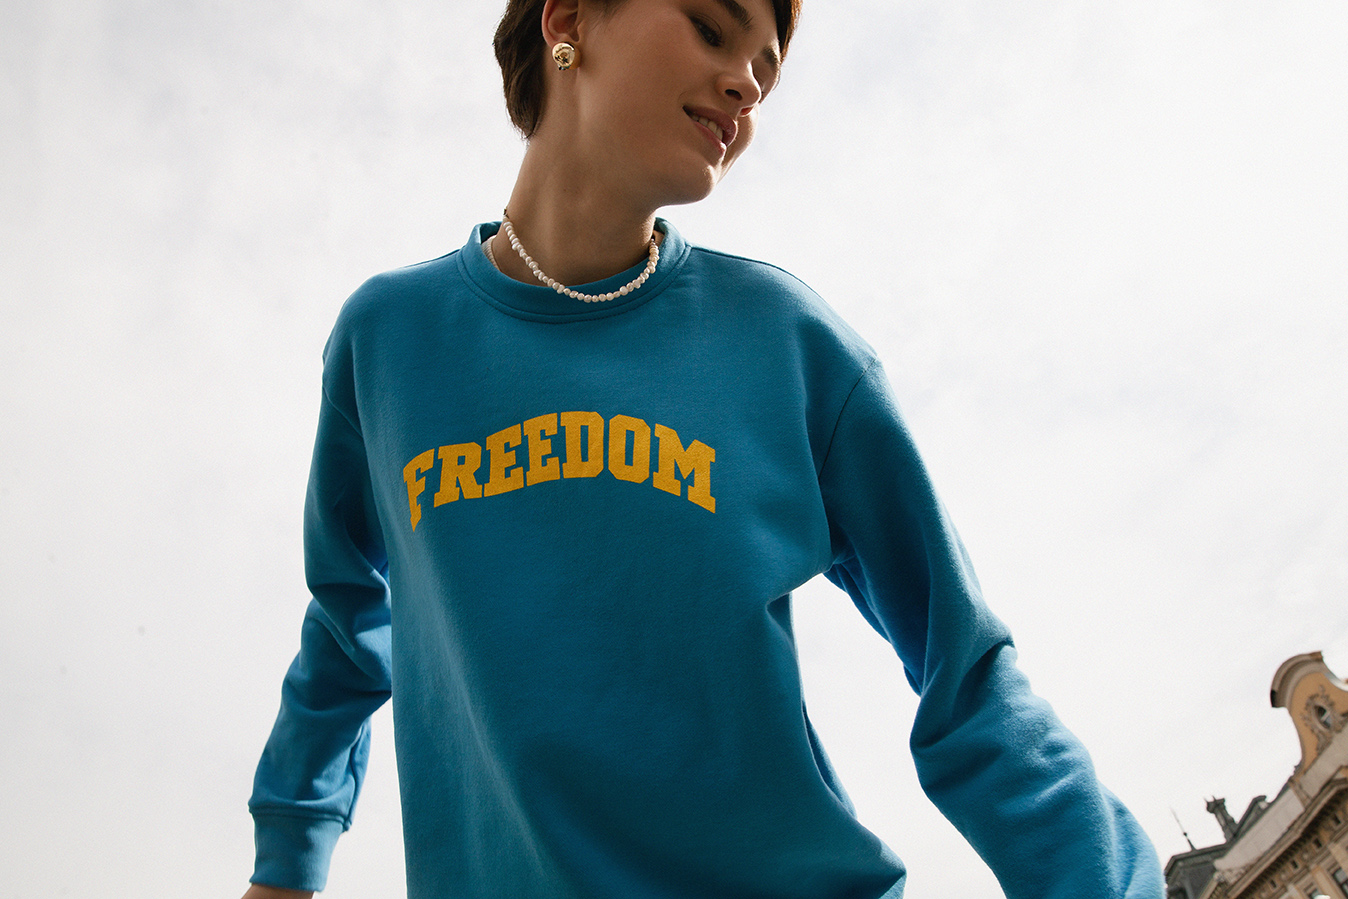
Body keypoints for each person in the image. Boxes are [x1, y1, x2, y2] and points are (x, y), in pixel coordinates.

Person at [241, 0, 1165, 897]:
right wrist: (285, 864)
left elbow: (966, 674)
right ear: (567, 21)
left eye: (765, 70)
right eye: (712, 28)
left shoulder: (788, 344)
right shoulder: (388, 342)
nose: (746, 86)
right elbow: (347, 625)